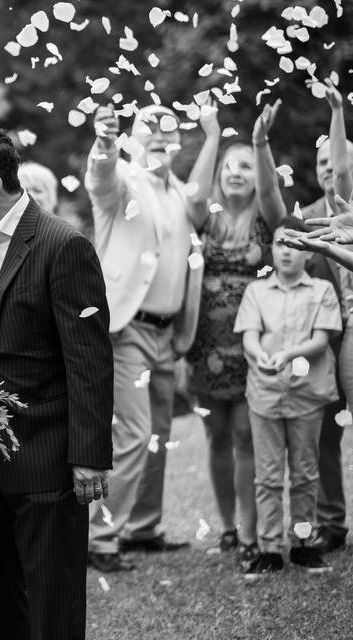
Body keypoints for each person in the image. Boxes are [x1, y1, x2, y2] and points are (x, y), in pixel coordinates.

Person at [0, 128, 113, 640]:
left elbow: (89, 359)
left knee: (53, 598)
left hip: (46, 451)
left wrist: (88, 453)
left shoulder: (64, 245)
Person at [84, 105, 207, 573]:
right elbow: (100, 179)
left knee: (158, 433)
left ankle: (143, 528)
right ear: (134, 139)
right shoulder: (124, 180)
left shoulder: (177, 191)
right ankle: (99, 537)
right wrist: (105, 145)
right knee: (134, 433)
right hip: (127, 330)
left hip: (167, 332)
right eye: (149, 129)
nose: (159, 135)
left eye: (167, 129)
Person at [185, 101, 287, 562]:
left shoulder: (267, 218)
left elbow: (271, 189)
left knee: (248, 437)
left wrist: (259, 143)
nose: (237, 173)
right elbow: (191, 195)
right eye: (230, 166)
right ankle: (226, 527)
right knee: (215, 437)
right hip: (205, 344)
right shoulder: (204, 219)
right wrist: (211, 135)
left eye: (245, 166)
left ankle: (250, 530)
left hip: (252, 344)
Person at [234, 217, 341, 577]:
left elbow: (321, 340)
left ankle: (303, 544)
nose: (287, 251)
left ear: (309, 253)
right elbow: (249, 335)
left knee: (305, 474)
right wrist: (258, 354)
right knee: (266, 476)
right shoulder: (256, 292)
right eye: (281, 243)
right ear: (272, 248)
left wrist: (288, 354)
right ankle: (268, 548)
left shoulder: (322, 290)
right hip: (264, 396)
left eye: (296, 245)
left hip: (307, 396)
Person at [298, 81, 353, 554]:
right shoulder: (311, 217)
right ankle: (332, 522)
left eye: (336, 164)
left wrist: (337, 112)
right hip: (331, 337)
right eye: (322, 165)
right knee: (328, 431)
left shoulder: (347, 210)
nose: (330, 171)